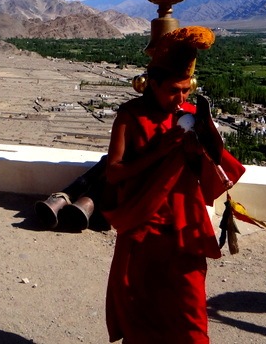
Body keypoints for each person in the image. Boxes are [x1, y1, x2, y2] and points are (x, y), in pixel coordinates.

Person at [102, 26, 245, 344]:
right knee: (142, 307)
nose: (181, 99)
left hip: (185, 226)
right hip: (143, 227)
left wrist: (198, 155)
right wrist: (159, 152)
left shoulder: (193, 116)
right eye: (173, 91)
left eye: (186, 90)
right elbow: (113, 173)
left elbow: (212, 173)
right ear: (152, 83)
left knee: (190, 311)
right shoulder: (130, 116)